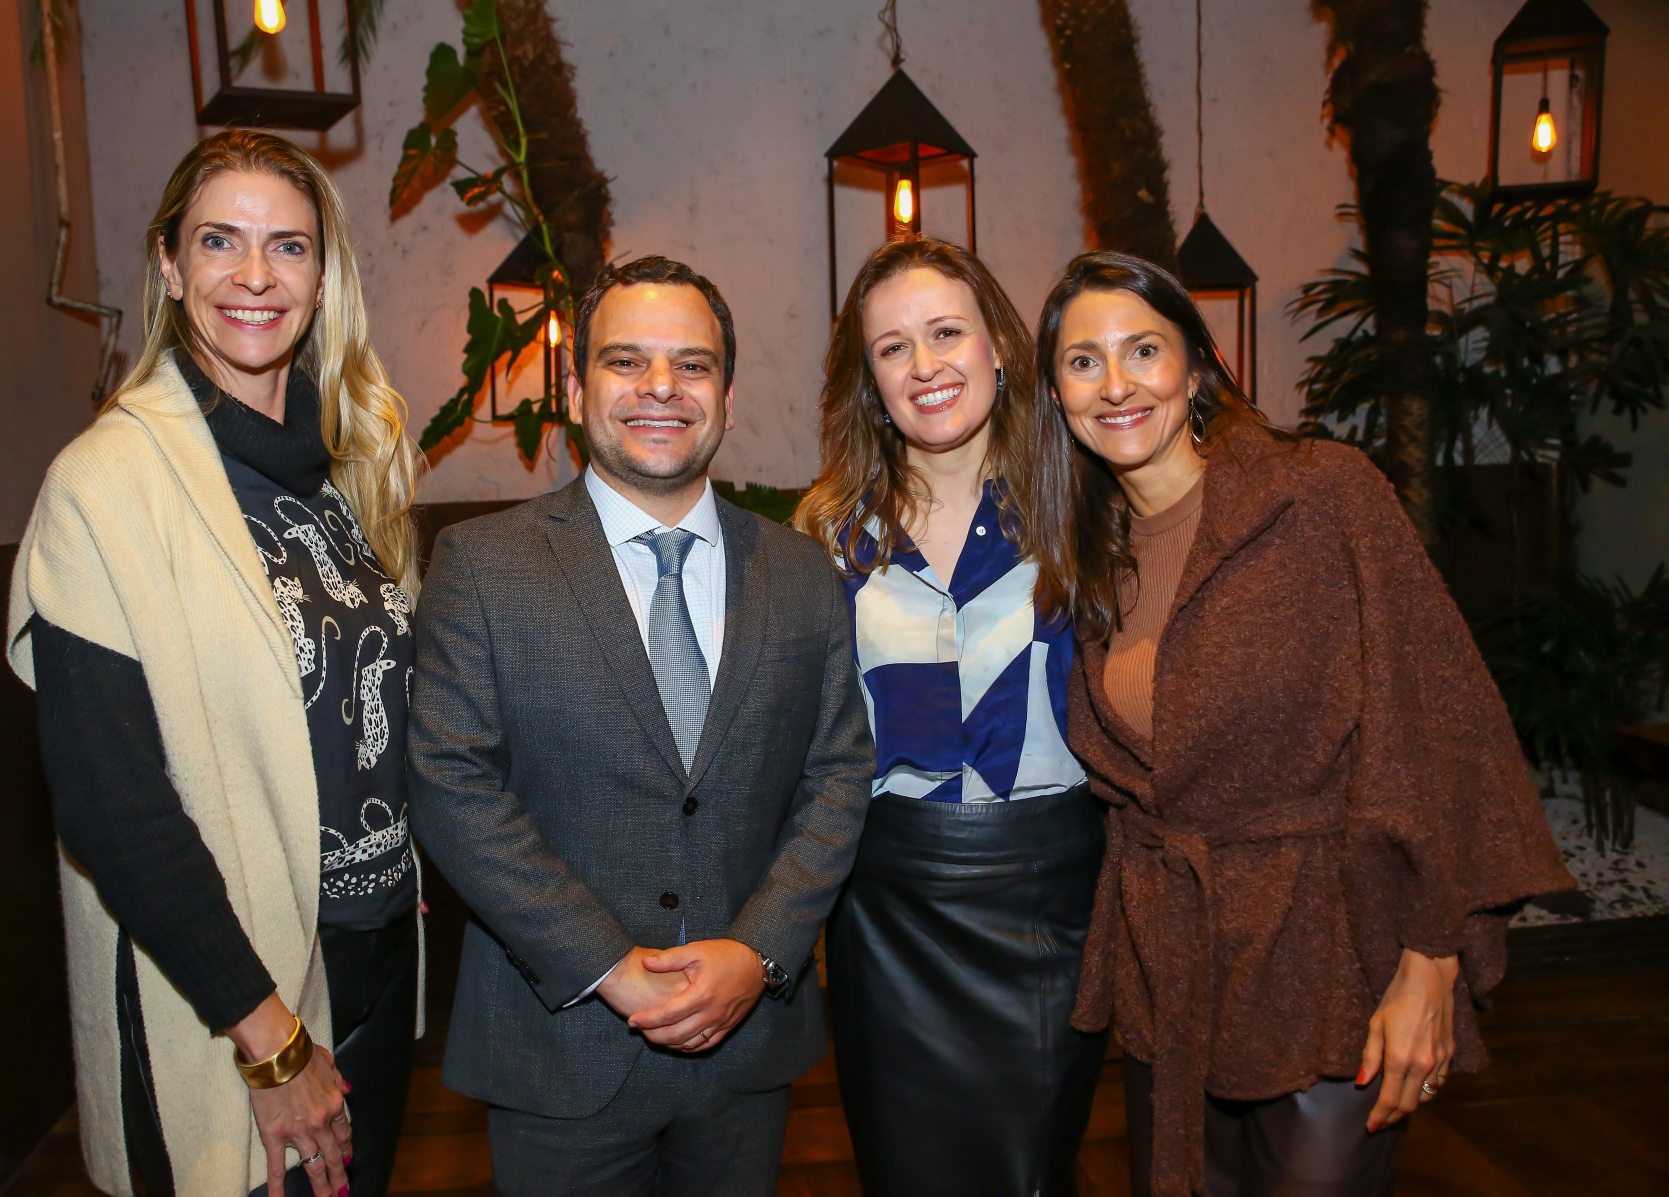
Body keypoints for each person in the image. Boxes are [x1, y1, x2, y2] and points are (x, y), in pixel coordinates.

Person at [1035, 251, 1574, 1197]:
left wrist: (1432, 960)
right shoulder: (1088, 560)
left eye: (1143, 350)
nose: (1115, 384)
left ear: (1196, 366)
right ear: (1056, 394)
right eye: (1084, 361)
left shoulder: (1320, 494)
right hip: (1177, 976)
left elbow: (1437, 727)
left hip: (1330, 962)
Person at [6, 130, 426, 1197]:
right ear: (168, 264)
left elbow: (361, 706)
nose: (255, 275)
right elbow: (112, 805)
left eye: (288, 246)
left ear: (322, 278)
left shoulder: (351, 463)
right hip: (239, 998)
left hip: (371, 952)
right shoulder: (106, 486)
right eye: (218, 241)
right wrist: (270, 1042)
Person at [407, 255, 874, 1196]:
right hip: (561, 1046)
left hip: (746, 1050)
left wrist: (759, 951)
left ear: (727, 399)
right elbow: (452, 786)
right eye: (626, 361)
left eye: (692, 365)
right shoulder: (482, 566)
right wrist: (607, 966)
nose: (661, 386)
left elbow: (838, 775)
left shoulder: (801, 574)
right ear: (577, 389)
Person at [796, 236, 1108, 1197]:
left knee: (1030, 1171)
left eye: (945, 333)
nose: (924, 365)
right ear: (870, 379)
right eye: (893, 348)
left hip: (1047, 896)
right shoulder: (829, 531)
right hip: (887, 904)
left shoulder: (1085, 503)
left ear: (999, 346)